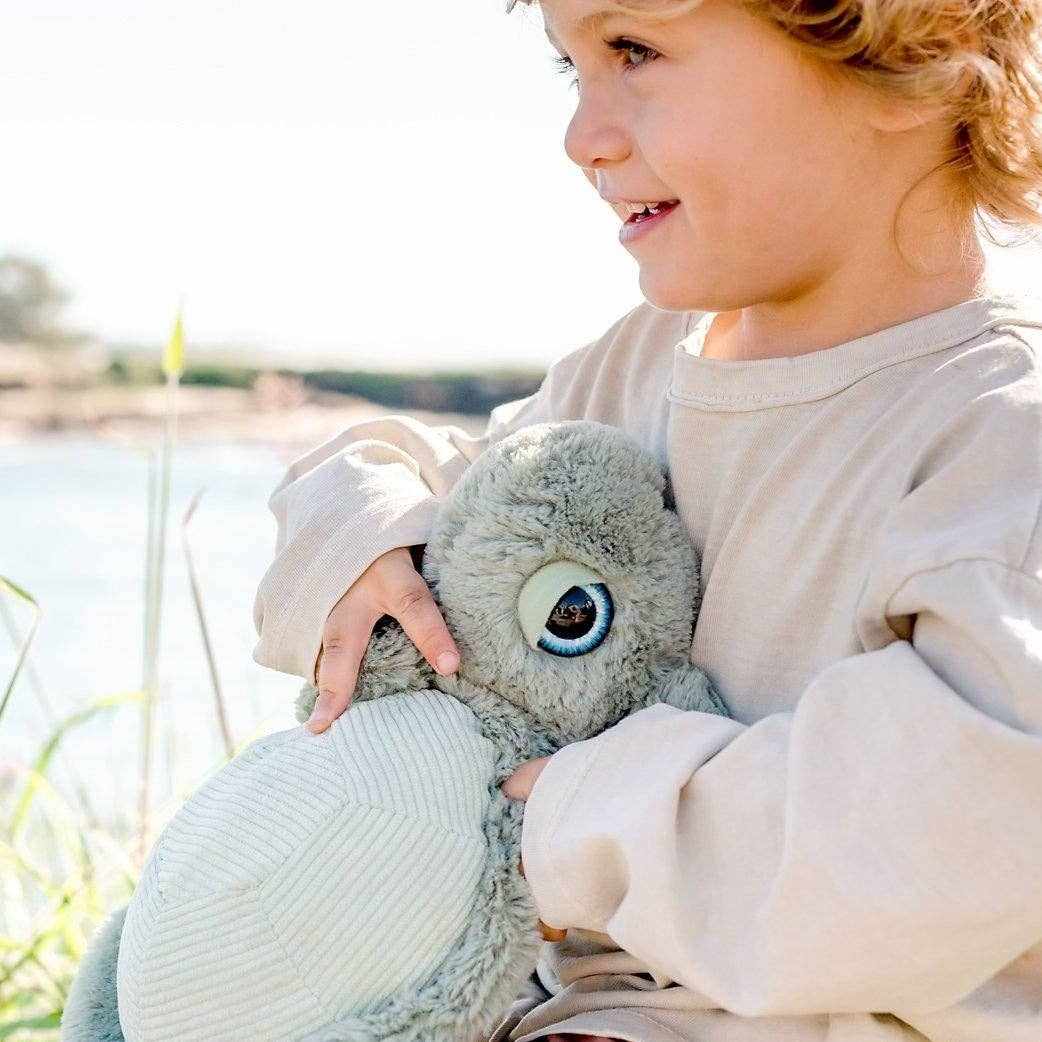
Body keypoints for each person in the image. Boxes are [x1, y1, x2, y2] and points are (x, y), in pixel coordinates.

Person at [251, 1, 1042, 1040]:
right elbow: (417, 475)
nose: (583, 137)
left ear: (915, 53)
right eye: (568, 67)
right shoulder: (630, 366)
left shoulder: (997, 446)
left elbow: (937, 835)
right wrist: (361, 535)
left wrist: (554, 823)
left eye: (634, 51)